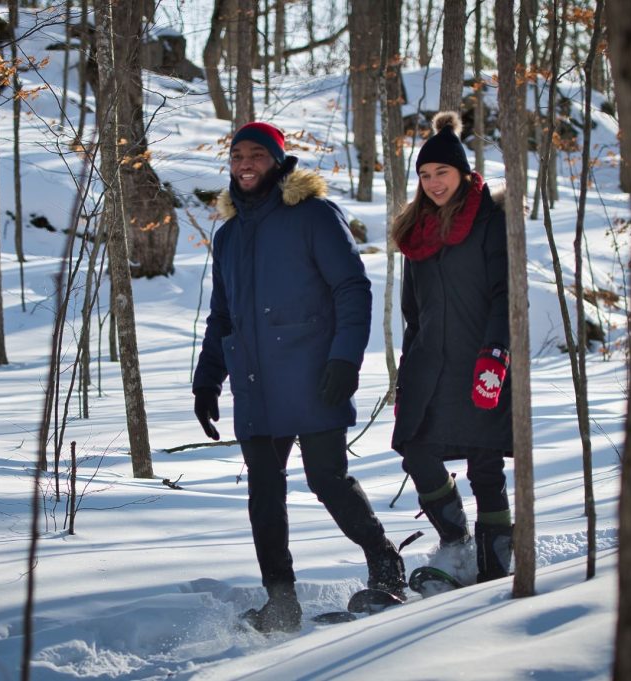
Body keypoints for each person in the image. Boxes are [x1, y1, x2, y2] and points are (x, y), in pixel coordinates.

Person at [192, 121, 405, 633]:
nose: (245, 164)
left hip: (313, 373)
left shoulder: (313, 216)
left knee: (325, 478)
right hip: (254, 381)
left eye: (257, 155)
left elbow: (352, 289)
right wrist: (207, 379)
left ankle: (385, 561)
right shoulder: (228, 235)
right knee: (264, 491)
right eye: (238, 155)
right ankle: (280, 601)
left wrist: (344, 360)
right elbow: (223, 315)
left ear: (278, 161)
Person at [390, 111, 513, 588]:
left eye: (442, 172)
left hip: (482, 358)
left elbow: (504, 292)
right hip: (428, 364)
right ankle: (456, 542)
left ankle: (497, 557)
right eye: (425, 175)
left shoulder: (490, 221)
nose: (433, 182)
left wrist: (497, 354)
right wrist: (406, 373)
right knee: (415, 448)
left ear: (462, 173)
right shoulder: (416, 231)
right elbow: (412, 314)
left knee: (484, 461)